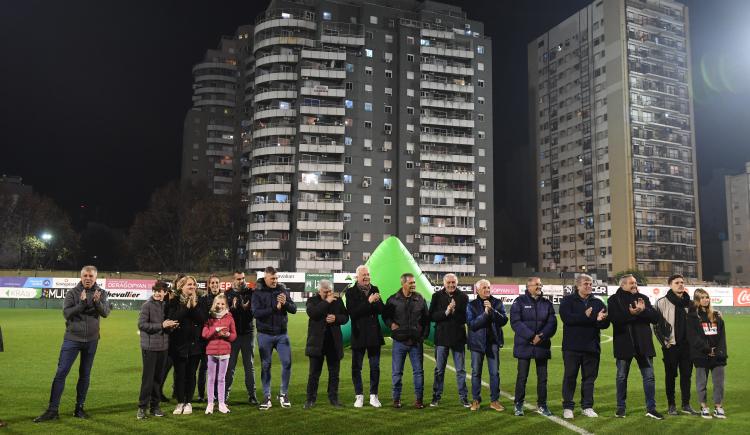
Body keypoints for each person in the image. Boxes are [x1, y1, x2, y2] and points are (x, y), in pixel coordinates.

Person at [34, 265, 110, 423]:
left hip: (91, 340)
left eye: (90, 276)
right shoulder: (72, 293)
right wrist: (81, 305)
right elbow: (66, 314)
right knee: (61, 373)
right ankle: (52, 410)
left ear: (95, 277)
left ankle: (79, 409)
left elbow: (105, 313)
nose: (88, 278)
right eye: (85, 275)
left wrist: (96, 303)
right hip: (72, 339)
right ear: (81, 277)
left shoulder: (101, 293)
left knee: (85, 375)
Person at [608, 274, 662, 419]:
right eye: (631, 283)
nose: (634, 285)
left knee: (649, 377)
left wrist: (643, 310)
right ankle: (621, 408)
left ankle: (651, 408)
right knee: (621, 377)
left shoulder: (643, 298)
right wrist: (631, 313)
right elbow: (615, 320)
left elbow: (655, 318)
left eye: (635, 283)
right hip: (623, 344)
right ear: (623, 285)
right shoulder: (614, 300)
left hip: (643, 344)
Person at [559, 274, 609, 419]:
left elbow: (605, 323)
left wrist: (600, 320)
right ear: (578, 286)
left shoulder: (598, 302)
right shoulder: (568, 301)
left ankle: (587, 406)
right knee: (570, 377)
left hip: (591, 347)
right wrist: (587, 317)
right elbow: (567, 319)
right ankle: (568, 407)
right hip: (572, 347)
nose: (588, 286)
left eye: (590, 284)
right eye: (585, 284)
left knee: (589, 379)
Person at [510, 277, 557, 417]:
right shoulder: (519, 302)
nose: (539, 286)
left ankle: (542, 404)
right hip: (524, 344)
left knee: (543, 378)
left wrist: (541, 337)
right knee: (522, 377)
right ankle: (518, 404)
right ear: (528, 286)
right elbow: (515, 322)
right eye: (536, 284)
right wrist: (531, 336)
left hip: (542, 345)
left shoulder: (547, 303)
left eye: (540, 284)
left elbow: (552, 324)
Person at [383, 273, 430, 409]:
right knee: (397, 373)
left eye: (414, 282)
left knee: (418, 372)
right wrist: (390, 324)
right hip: (399, 342)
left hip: (416, 342)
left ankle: (419, 400)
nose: (414, 285)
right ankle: (396, 399)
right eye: (411, 283)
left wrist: (423, 336)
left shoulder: (420, 298)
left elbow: (426, 319)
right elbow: (386, 316)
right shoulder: (393, 300)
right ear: (403, 284)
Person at [252, 266, 296, 410]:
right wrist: (274, 308)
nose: (275, 281)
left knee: (287, 363)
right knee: (266, 365)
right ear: (265, 278)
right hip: (264, 334)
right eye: (272, 278)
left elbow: (294, 309)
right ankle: (267, 396)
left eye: (277, 278)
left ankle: (283, 394)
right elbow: (256, 313)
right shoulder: (257, 292)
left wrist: (285, 304)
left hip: (282, 334)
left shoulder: (282, 290)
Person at [654, 274, 698, 415]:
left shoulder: (690, 304)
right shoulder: (661, 302)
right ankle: (671, 405)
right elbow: (656, 326)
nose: (680, 284)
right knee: (670, 376)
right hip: (671, 346)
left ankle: (686, 404)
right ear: (670, 285)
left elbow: (697, 324)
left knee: (686, 376)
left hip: (687, 347)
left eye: (682, 282)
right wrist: (664, 343)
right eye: (677, 282)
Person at [304, 279, 349, 409]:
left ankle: (333, 399)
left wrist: (336, 318)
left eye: (330, 291)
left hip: (333, 343)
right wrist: (327, 302)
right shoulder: (312, 301)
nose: (329, 293)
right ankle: (310, 399)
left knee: (334, 374)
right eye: (326, 291)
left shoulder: (338, 300)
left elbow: (345, 317)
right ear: (319, 291)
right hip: (317, 343)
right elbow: (313, 313)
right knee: (314, 374)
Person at [166, 275, 208, 415]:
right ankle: (180, 402)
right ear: (181, 287)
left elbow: (203, 319)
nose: (192, 287)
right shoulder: (174, 301)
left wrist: (194, 306)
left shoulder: (200, 301)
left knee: (191, 374)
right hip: (178, 345)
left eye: (193, 285)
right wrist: (186, 307)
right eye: (189, 285)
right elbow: (174, 318)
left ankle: (188, 402)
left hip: (196, 345)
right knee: (179, 375)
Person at [345, 265, 385, 408]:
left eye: (368, 274)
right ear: (357, 277)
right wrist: (369, 302)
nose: (367, 277)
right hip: (359, 334)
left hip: (374, 334)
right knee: (357, 367)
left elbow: (381, 310)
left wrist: (377, 301)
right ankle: (359, 396)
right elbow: (353, 313)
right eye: (364, 275)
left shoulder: (375, 289)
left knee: (375, 367)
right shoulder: (350, 292)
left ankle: (374, 396)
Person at [137, 280, 178, 419]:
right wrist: (162, 325)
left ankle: (155, 407)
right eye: (155, 291)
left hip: (163, 347)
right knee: (148, 379)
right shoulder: (146, 305)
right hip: (149, 347)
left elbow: (166, 326)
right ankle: (142, 408)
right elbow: (141, 325)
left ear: (165, 293)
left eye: (159, 291)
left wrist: (171, 326)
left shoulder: (166, 305)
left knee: (158, 379)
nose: (156, 293)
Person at [466, 279, 508, 412]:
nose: (487, 290)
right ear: (477, 290)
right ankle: (476, 400)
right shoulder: (471, 305)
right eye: (484, 288)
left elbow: (504, 320)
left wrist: (492, 311)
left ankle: (494, 401)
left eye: (488, 287)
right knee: (476, 373)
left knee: (494, 373)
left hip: (493, 343)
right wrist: (485, 314)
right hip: (476, 344)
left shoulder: (497, 302)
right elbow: (472, 325)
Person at [429, 273, 469, 408]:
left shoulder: (463, 297)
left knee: (461, 370)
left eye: (453, 282)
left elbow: (465, 318)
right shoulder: (436, 296)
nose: (451, 285)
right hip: (441, 338)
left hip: (458, 338)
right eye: (449, 283)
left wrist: (454, 311)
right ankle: (436, 397)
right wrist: (446, 312)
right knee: (439, 370)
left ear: (457, 283)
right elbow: (432, 316)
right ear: (444, 284)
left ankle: (464, 398)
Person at [686, 288, 728, 419]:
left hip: (718, 356)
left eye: (707, 297)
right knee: (701, 383)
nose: (706, 300)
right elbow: (693, 338)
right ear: (697, 300)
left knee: (719, 383)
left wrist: (719, 351)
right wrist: (708, 349)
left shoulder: (716, 315)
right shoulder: (692, 317)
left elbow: (722, 337)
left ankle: (718, 407)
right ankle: (704, 407)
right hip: (701, 355)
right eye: (702, 298)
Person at [225, 271, 258, 405]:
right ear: (234, 279)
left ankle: (252, 395)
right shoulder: (227, 294)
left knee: (249, 366)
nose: (241, 281)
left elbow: (254, 313)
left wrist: (247, 310)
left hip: (247, 334)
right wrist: (233, 308)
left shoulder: (251, 293)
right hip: (233, 335)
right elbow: (225, 315)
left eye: (243, 278)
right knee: (230, 366)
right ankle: (225, 394)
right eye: (238, 279)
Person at [202, 294, 237, 414]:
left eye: (222, 304)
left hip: (225, 352)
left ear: (225, 305)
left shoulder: (230, 318)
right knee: (211, 378)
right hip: (211, 352)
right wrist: (215, 330)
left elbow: (234, 336)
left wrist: (227, 335)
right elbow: (204, 334)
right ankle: (210, 404)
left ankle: (222, 404)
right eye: (218, 303)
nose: (220, 306)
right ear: (214, 304)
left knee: (222, 379)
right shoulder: (209, 318)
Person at [197, 274, 223, 403]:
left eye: (216, 283)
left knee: (218, 368)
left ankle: (217, 395)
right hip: (206, 338)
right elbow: (202, 318)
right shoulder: (203, 299)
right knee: (203, 368)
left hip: (219, 338)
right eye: (212, 283)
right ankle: (201, 395)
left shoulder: (223, 299)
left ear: (219, 284)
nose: (214, 285)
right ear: (209, 285)